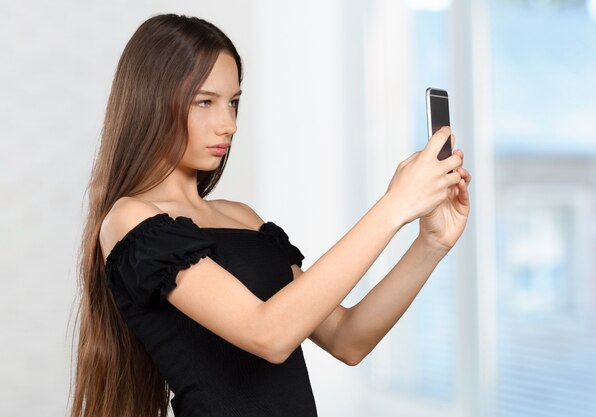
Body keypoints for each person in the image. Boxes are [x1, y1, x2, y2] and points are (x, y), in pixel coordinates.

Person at [68, 12, 472, 417]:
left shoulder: (243, 218)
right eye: (204, 102)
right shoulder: (129, 222)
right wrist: (394, 206)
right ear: (151, 99)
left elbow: (348, 339)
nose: (228, 124)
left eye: (234, 102)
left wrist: (431, 243)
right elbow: (269, 333)